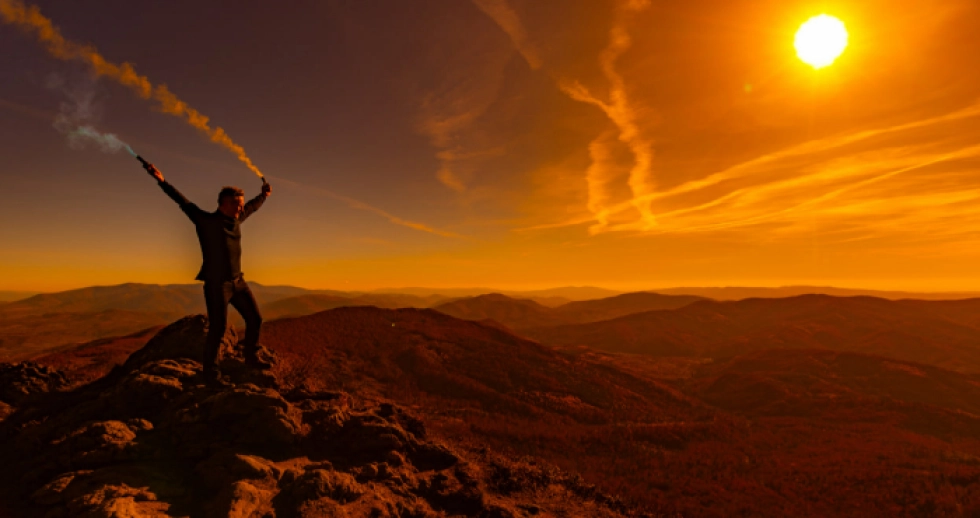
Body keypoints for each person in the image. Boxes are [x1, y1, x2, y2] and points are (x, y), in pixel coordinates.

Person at [145, 162, 272, 386]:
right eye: (237, 204)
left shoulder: (237, 220)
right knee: (218, 328)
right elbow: (182, 202)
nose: (241, 208)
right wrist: (161, 181)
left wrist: (264, 195)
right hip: (217, 285)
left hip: (238, 282)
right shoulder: (206, 221)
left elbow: (253, 206)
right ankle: (212, 375)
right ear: (223, 204)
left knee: (255, 319)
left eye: (241, 204)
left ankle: (250, 358)